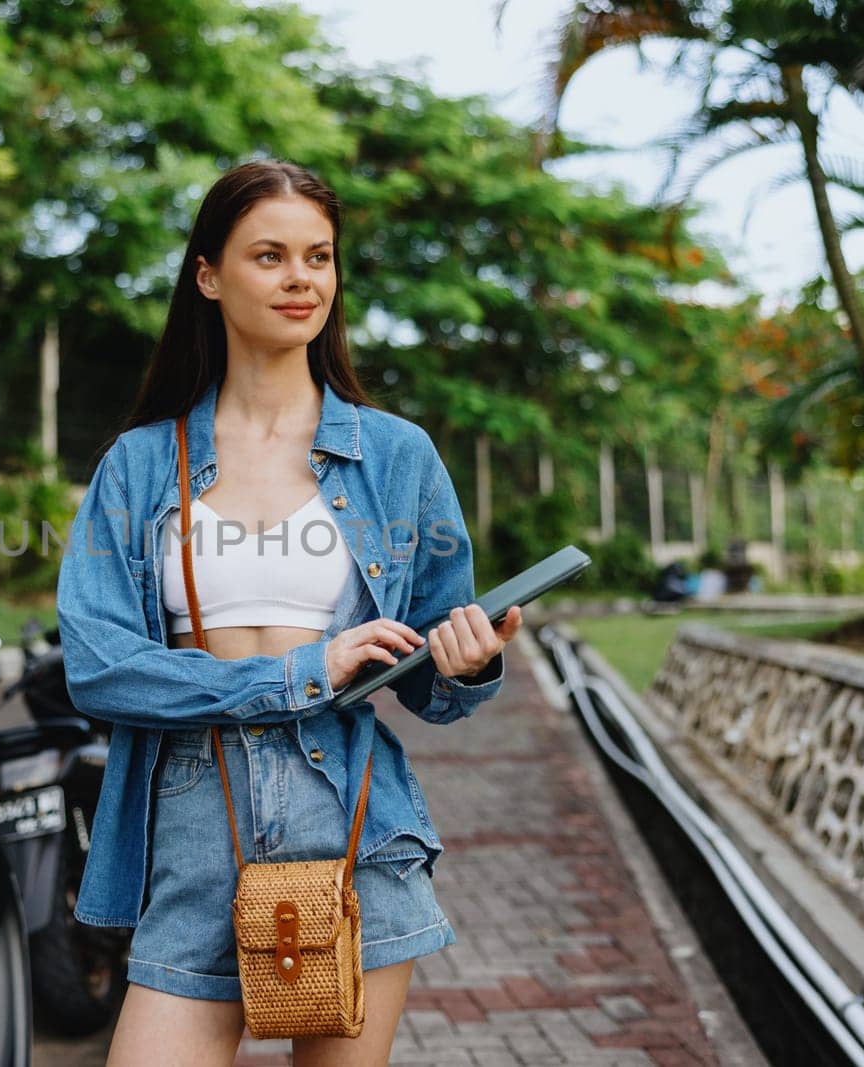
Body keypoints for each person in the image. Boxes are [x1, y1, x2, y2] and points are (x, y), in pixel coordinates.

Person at [55, 158, 521, 1066]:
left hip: (349, 818)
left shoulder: (396, 456)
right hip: (192, 824)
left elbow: (428, 681)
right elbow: (99, 664)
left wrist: (469, 660)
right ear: (208, 274)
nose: (301, 277)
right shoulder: (141, 464)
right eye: (269, 255)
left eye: (320, 256)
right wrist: (303, 672)